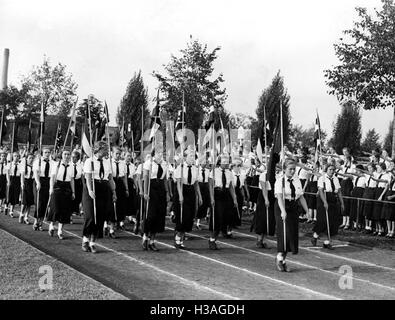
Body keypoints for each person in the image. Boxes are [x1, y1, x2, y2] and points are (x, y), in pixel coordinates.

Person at [274, 158, 309, 272]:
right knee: (284, 233)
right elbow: (279, 197)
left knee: (292, 235)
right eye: (290, 169)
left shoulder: (297, 180)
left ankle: (283, 260)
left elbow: (301, 196)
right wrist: (283, 211)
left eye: (294, 169)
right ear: (284, 169)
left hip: (293, 207)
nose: (293, 171)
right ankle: (279, 258)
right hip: (282, 206)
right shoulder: (280, 181)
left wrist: (307, 210)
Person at [82, 141, 116, 253]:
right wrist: (90, 190)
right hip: (92, 187)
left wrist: (114, 192)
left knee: (100, 216)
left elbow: (110, 178)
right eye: (105, 149)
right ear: (99, 149)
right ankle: (85, 239)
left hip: (104, 188)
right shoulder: (89, 161)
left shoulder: (107, 162)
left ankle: (92, 242)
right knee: (91, 215)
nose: (107, 151)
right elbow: (87, 177)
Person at [208, 153, 238, 250]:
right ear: (220, 162)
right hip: (217, 195)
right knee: (217, 218)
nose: (226, 164)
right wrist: (212, 198)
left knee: (225, 218)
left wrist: (234, 198)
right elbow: (211, 186)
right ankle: (212, 239)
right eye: (224, 162)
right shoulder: (214, 172)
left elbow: (231, 187)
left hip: (226, 195)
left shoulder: (229, 173)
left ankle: (216, 238)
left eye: (227, 162)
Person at [173, 150, 202, 249]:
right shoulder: (180, 168)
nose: (192, 158)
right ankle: (178, 236)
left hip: (191, 192)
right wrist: (181, 196)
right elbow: (178, 183)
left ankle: (182, 236)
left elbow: (196, 184)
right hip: (182, 190)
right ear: (185, 157)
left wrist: (199, 196)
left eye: (193, 156)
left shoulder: (195, 168)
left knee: (189, 216)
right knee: (182, 216)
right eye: (190, 156)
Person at [311, 164, 345, 249]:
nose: (332, 171)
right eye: (330, 169)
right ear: (326, 170)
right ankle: (315, 235)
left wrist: (342, 203)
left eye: (333, 169)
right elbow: (321, 191)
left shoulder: (336, 179)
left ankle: (327, 242)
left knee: (332, 222)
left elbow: (339, 192)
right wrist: (325, 202)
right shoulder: (322, 178)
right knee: (323, 220)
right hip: (323, 199)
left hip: (332, 198)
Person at [142, 149, 168, 251]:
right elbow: (145, 177)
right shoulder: (149, 163)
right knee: (150, 215)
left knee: (159, 215)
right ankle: (145, 237)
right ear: (154, 154)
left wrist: (167, 192)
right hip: (151, 188)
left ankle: (152, 240)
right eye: (158, 153)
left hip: (160, 189)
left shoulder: (165, 164)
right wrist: (145, 192)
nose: (161, 154)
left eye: (162, 153)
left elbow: (165, 179)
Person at [47, 149, 75, 240]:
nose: (67, 156)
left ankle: (60, 230)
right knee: (55, 208)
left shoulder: (71, 166)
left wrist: (73, 192)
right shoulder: (56, 164)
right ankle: (51, 225)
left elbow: (72, 180)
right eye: (65, 154)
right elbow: (52, 177)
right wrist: (51, 188)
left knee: (64, 210)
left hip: (66, 187)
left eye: (68, 154)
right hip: (57, 185)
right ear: (61, 155)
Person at [33, 148, 55, 231]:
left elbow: (52, 175)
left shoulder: (52, 163)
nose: (47, 154)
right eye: (45, 152)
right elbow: (35, 173)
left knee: (45, 203)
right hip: (39, 180)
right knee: (39, 203)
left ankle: (41, 222)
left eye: (49, 152)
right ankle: (36, 221)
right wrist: (38, 182)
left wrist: (51, 186)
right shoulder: (38, 161)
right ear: (42, 153)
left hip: (48, 181)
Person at [110, 147, 129, 233]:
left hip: (120, 183)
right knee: (111, 205)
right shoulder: (109, 163)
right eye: (116, 153)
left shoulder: (123, 163)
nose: (118, 155)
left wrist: (126, 188)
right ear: (112, 153)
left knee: (120, 205)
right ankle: (110, 227)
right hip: (111, 182)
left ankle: (119, 222)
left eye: (119, 154)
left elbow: (124, 177)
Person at [252, 162, 270, 248]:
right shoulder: (264, 175)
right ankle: (259, 239)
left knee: (270, 219)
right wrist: (266, 199)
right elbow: (264, 188)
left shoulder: (279, 175)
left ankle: (264, 240)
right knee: (261, 218)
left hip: (273, 196)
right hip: (263, 196)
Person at [348, 165, 366, 230]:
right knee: (354, 207)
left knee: (359, 208)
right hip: (355, 191)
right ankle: (355, 223)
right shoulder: (355, 177)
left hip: (360, 192)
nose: (356, 171)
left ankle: (360, 224)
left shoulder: (364, 177)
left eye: (357, 170)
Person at [20, 153, 35, 224]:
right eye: (30, 158)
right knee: (24, 201)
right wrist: (22, 183)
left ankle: (26, 217)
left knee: (29, 202)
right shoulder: (24, 166)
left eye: (32, 158)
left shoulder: (34, 166)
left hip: (31, 183)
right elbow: (22, 175)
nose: (31, 159)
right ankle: (22, 214)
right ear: (27, 159)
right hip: (26, 183)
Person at [196, 158, 211, 230]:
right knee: (198, 204)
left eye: (206, 162)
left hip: (205, 187)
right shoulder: (196, 170)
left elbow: (209, 180)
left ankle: (199, 221)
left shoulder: (208, 171)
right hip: (199, 186)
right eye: (203, 162)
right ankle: (196, 221)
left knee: (204, 204)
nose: (205, 164)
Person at [6, 151, 21, 218]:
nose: (16, 157)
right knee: (9, 194)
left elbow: (21, 174)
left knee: (15, 195)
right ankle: (6, 205)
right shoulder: (10, 164)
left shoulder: (20, 165)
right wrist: (8, 181)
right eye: (15, 156)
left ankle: (11, 211)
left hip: (17, 180)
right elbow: (7, 173)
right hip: (11, 178)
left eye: (17, 156)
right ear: (12, 157)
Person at [124, 152, 137, 226]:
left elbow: (134, 177)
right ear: (124, 156)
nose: (129, 157)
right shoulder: (122, 164)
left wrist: (136, 186)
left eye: (130, 156)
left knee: (132, 200)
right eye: (127, 156)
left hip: (130, 182)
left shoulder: (132, 166)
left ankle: (131, 216)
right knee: (124, 200)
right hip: (124, 182)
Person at [70, 151, 83, 223]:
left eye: (74, 157)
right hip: (70, 182)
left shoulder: (81, 165)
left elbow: (82, 175)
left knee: (77, 199)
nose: (73, 158)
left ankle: (74, 211)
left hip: (78, 183)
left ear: (78, 158)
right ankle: (70, 216)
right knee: (70, 199)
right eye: (72, 157)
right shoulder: (69, 164)